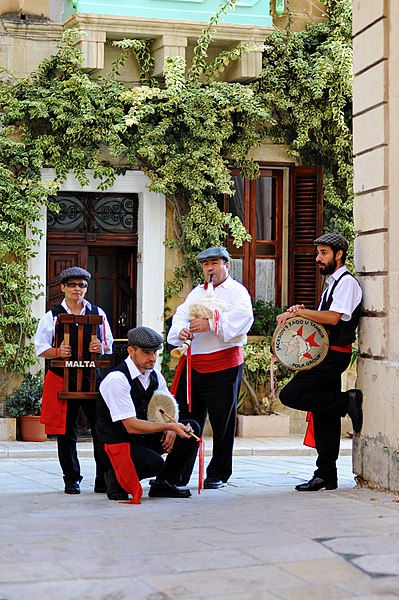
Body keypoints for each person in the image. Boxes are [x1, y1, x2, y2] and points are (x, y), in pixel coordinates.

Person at [277, 232, 363, 491]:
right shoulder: (332, 284)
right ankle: (326, 474)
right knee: (324, 415)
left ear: (339, 255)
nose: (318, 258)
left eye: (323, 253)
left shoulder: (347, 283)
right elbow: (324, 316)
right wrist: (302, 312)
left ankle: (347, 400)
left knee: (290, 394)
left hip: (335, 354)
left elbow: (335, 318)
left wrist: (302, 311)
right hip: (325, 354)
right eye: (318, 253)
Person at [167, 246, 254, 489]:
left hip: (224, 364)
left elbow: (244, 319)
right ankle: (178, 472)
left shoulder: (237, 292)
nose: (209, 268)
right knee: (187, 419)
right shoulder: (197, 292)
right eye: (206, 264)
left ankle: (218, 472)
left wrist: (212, 323)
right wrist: (180, 331)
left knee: (222, 422)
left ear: (227, 265)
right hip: (195, 364)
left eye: (214, 263)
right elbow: (180, 315)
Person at [96, 326, 200, 502]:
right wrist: (168, 426)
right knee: (154, 463)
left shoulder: (154, 375)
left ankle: (165, 483)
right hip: (116, 443)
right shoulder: (116, 380)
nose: (152, 358)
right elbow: (131, 426)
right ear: (131, 350)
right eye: (146, 352)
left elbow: (168, 406)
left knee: (190, 429)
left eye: (154, 352)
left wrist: (173, 428)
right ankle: (115, 477)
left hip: (141, 438)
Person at [34, 266, 114, 495]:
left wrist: (100, 346)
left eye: (82, 285)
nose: (77, 289)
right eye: (72, 285)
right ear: (63, 288)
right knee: (66, 432)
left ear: (86, 289)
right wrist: (58, 351)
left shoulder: (98, 312)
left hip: (91, 378)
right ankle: (72, 479)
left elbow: (107, 344)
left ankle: (103, 478)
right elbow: (41, 348)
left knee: (101, 430)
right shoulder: (53, 315)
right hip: (62, 378)